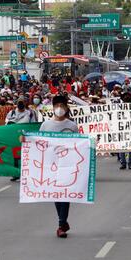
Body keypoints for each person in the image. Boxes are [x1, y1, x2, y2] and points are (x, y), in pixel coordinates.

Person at [39, 95, 79, 238]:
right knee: (57, 194)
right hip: (52, 165)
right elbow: (39, 143)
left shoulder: (72, 126)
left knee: (65, 194)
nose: (60, 108)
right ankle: (63, 222)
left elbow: (78, 145)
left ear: (66, 107)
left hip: (67, 165)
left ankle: (61, 224)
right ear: (53, 107)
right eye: (57, 106)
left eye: (62, 106)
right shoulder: (45, 125)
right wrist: (25, 140)